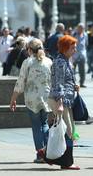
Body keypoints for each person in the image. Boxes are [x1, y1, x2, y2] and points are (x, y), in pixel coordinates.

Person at [39, 35, 80, 170]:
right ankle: (66, 162)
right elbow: (58, 84)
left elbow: (64, 81)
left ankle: (47, 154)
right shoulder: (61, 62)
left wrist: (74, 85)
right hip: (60, 101)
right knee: (68, 131)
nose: (75, 50)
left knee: (62, 130)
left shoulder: (65, 60)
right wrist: (60, 103)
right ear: (65, 48)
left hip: (64, 100)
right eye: (73, 48)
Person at [9, 39, 52, 163]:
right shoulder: (48, 62)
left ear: (29, 50)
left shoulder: (27, 62)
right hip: (46, 97)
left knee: (36, 126)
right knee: (44, 124)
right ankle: (47, 153)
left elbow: (20, 82)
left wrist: (13, 99)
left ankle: (40, 154)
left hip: (32, 99)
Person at [72, 23, 88, 88]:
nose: (81, 29)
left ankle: (82, 83)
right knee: (72, 70)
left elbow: (86, 44)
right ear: (77, 28)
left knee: (82, 70)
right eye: (79, 28)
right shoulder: (74, 34)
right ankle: (72, 83)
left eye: (82, 28)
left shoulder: (85, 35)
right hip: (74, 55)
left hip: (82, 54)